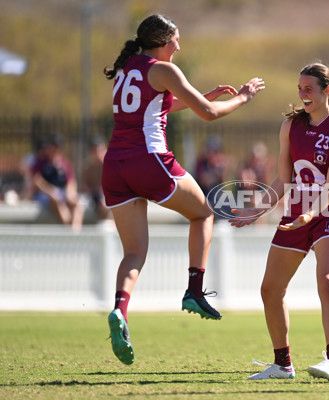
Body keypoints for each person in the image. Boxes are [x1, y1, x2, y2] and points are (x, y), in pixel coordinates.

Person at [101, 14, 265, 365]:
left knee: (134, 252)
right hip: (149, 160)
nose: (180, 44)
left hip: (115, 166)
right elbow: (208, 114)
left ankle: (119, 310)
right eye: (176, 38)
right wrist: (245, 98)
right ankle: (193, 289)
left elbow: (160, 104)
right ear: (163, 40)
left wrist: (204, 95)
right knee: (204, 212)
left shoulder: (130, 65)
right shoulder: (165, 69)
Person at [229, 63, 329, 382]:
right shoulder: (290, 126)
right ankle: (283, 364)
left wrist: (311, 214)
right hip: (295, 215)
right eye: (299, 89)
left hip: (328, 214)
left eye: (308, 88)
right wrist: (256, 209)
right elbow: (283, 180)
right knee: (270, 289)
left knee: (328, 281)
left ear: (328, 90)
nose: (302, 94)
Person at [31, 134, 84, 230]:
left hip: (60, 192)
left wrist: (70, 193)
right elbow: (36, 180)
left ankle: (75, 232)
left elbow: (71, 181)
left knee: (76, 204)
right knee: (57, 200)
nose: (55, 149)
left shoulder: (65, 163)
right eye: (53, 146)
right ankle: (69, 229)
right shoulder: (41, 162)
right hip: (45, 194)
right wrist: (50, 190)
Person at [81, 136, 110, 221]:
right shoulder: (88, 166)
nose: (98, 154)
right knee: (80, 204)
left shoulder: (110, 164)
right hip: (93, 195)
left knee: (103, 204)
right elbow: (84, 186)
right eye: (95, 151)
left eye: (100, 150)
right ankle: (75, 232)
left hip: (107, 195)